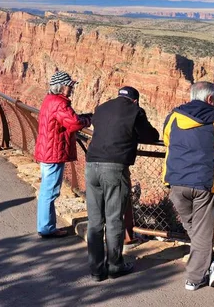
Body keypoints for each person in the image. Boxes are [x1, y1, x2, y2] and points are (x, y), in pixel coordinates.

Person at [162, 81, 214, 291]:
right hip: (206, 183)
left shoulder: (174, 117)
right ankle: (195, 278)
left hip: (177, 181)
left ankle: (212, 264)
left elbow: (166, 139)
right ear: (209, 99)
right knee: (202, 232)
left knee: (194, 229)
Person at [85, 86, 159, 282]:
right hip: (114, 168)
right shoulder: (135, 111)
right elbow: (150, 136)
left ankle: (95, 269)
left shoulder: (101, 107)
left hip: (91, 165)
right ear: (135, 100)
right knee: (114, 218)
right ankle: (115, 265)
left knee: (94, 220)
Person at [34, 71, 91, 238]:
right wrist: (89, 119)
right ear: (61, 87)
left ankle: (46, 226)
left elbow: (67, 119)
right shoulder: (60, 103)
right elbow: (74, 123)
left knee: (47, 189)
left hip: (46, 150)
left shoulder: (49, 100)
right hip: (53, 152)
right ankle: (46, 228)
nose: (71, 89)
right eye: (69, 86)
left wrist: (83, 116)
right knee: (50, 191)